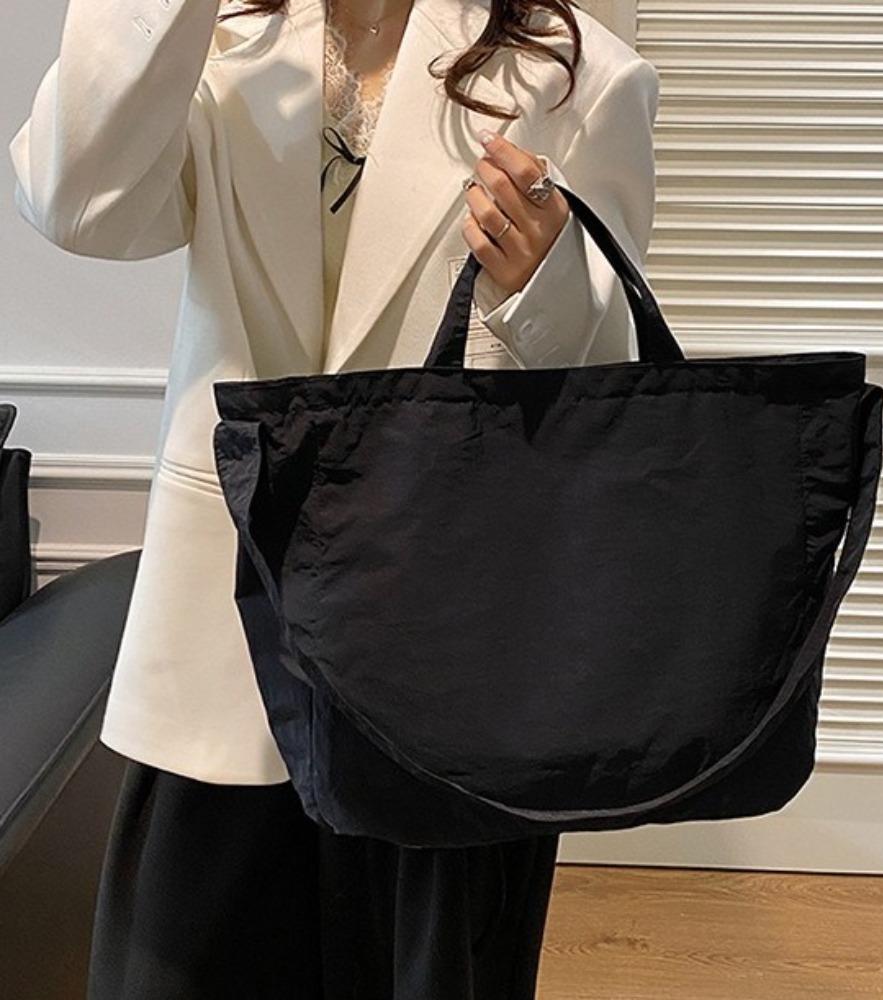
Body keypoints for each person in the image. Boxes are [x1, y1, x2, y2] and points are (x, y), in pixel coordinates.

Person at [8, 0, 660, 996]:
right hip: (228, 622)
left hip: (447, 648)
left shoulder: (575, 74)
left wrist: (546, 281)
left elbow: (614, 381)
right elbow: (76, 204)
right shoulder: (217, 43)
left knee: (424, 962)